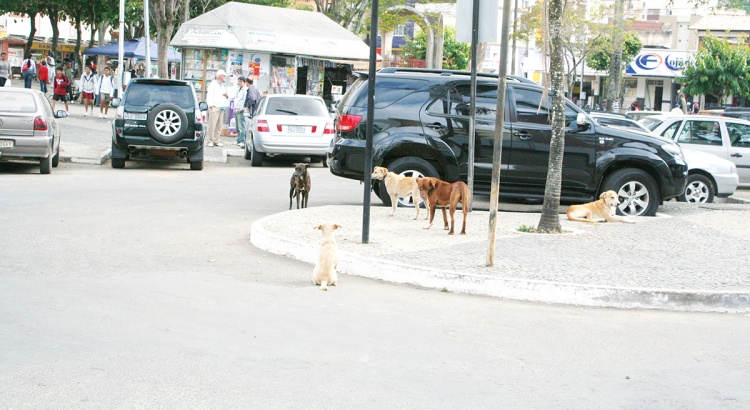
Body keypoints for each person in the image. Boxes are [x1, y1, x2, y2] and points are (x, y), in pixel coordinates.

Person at [205, 69, 229, 147]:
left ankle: (216, 140)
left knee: (219, 125)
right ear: (219, 76)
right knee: (212, 125)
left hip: (221, 106)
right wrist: (211, 105)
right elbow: (209, 95)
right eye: (223, 76)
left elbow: (224, 95)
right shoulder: (213, 84)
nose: (224, 77)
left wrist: (226, 96)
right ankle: (209, 140)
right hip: (215, 107)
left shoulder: (222, 85)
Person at [232, 76, 248, 148]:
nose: (239, 83)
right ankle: (238, 140)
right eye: (238, 81)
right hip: (236, 108)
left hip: (240, 110)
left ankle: (242, 141)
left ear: (244, 82)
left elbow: (245, 100)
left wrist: (241, 108)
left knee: (241, 126)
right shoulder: (238, 89)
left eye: (241, 81)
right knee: (237, 126)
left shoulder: (245, 90)